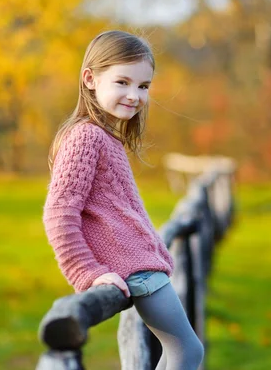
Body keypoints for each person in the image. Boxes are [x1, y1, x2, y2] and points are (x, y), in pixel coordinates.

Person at [42, 30, 204, 370]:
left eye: (143, 86)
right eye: (122, 82)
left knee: (184, 350)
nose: (134, 95)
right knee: (187, 351)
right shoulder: (86, 136)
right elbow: (59, 213)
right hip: (137, 272)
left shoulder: (105, 138)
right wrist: (88, 272)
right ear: (90, 78)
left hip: (142, 269)